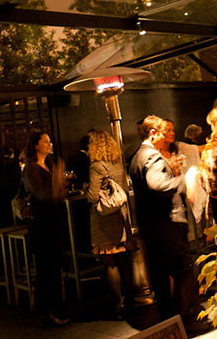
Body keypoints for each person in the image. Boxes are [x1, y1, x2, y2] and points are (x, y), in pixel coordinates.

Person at [129, 115, 204, 333]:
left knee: (160, 276)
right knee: (182, 271)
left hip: (152, 228)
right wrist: (185, 179)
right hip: (167, 226)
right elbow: (158, 185)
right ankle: (187, 321)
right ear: (153, 134)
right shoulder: (152, 156)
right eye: (163, 133)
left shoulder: (138, 156)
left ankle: (169, 323)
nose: (167, 138)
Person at [21, 132, 71, 328]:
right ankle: (47, 313)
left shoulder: (47, 165)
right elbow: (42, 194)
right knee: (46, 270)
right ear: (35, 146)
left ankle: (57, 309)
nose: (50, 144)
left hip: (54, 221)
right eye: (45, 141)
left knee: (54, 267)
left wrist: (60, 181)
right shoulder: (31, 168)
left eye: (50, 141)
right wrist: (58, 177)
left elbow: (57, 193)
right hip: (43, 225)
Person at [85, 129, 134, 321]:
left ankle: (118, 304)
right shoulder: (117, 162)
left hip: (105, 220)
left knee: (110, 263)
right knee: (124, 261)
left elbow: (93, 196)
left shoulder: (96, 166)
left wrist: (87, 190)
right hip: (121, 216)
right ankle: (131, 300)